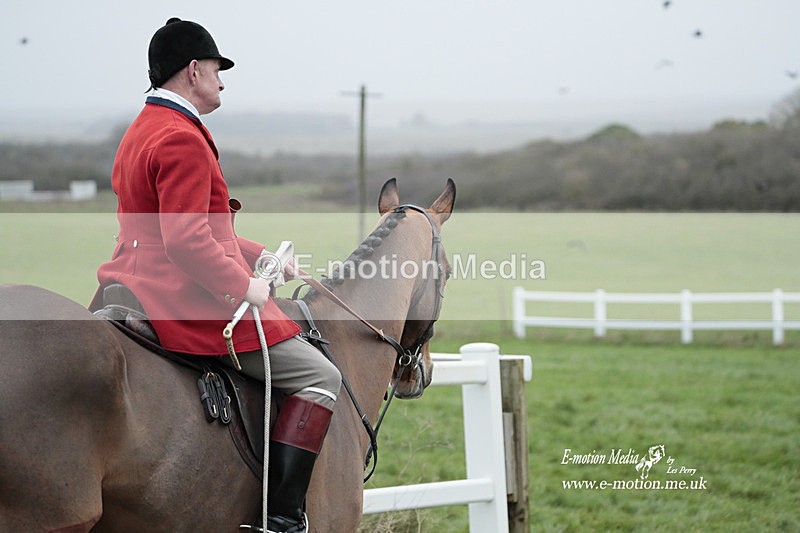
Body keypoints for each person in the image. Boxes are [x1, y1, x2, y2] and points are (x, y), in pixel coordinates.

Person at [89, 18, 341, 533]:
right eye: (218, 69)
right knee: (321, 376)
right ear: (195, 69)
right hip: (182, 294)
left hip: (132, 279)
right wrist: (243, 284)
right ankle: (282, 518)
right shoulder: (182, 137)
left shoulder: (143, 126)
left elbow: (180, 228)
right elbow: (186, 241)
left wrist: (256, 253)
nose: (223, 80)